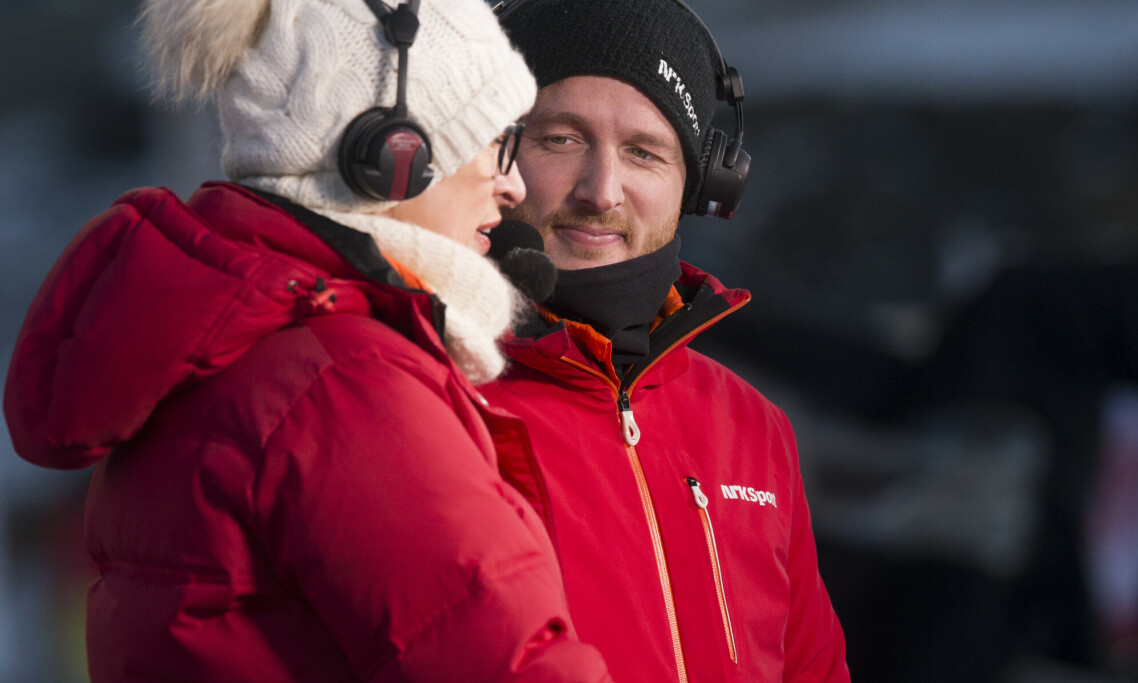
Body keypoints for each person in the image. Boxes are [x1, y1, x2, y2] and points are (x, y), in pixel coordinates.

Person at [2, 0, 611, 680]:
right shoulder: (345, 383)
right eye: (496, 141)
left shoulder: (235, 348)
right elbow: (510, 663)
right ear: (388, 154)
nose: (513, 184)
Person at [477, 0, 851, 680]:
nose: (602, 190)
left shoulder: (754, 429)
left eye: (644, 151)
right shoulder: (429, 394)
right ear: (494, 153)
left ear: (700, 186)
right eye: (560, 139)